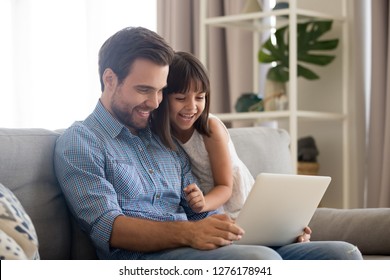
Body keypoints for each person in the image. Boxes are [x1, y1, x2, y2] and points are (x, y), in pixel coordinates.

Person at [54, 26, 363, 260]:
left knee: (341, 254)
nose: (154, 102)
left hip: (196, 243)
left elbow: (200, 211)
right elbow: (109, 227)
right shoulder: (82, 142)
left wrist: (268, 232)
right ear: (110, 79)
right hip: (146, 260)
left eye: (161, 91)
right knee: (261, 261)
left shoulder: (162, 138)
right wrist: (189, 232)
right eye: (144, 89)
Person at [151, 51, 254, 219]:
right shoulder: (158, 131)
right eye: (180, 98)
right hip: (207, 211)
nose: (192, 107)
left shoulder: (210, 129)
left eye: (200, 97)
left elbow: (225, 186)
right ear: (162, 97)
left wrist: (204, 203)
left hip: (240, 204)